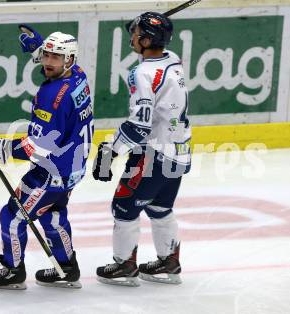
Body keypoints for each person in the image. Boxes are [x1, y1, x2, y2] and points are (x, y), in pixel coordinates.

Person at [0, 25, 93, 290]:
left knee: (13, 216)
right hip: (74, 167)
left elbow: (39, 145)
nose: (48, 62)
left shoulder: (53, 97)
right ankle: (67, 268)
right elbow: (58, 67)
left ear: (69, 59)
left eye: (55, 57)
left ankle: (12, 270)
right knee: (53, 215)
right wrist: (39, 51)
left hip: (50, 171)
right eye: (47, 55)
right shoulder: (79, 76)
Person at [92, 12, 191, 287]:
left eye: (136, 33)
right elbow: (160, 49)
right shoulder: (172, 60)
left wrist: (110, 150)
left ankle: (124, 265)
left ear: (147, 40)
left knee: (123, 207)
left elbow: (140, 125)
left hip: (153, 155)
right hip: (179, 153)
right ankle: (169, 261)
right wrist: (151, 26)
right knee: (160, 208)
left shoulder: (141, 73)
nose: (131, 37)